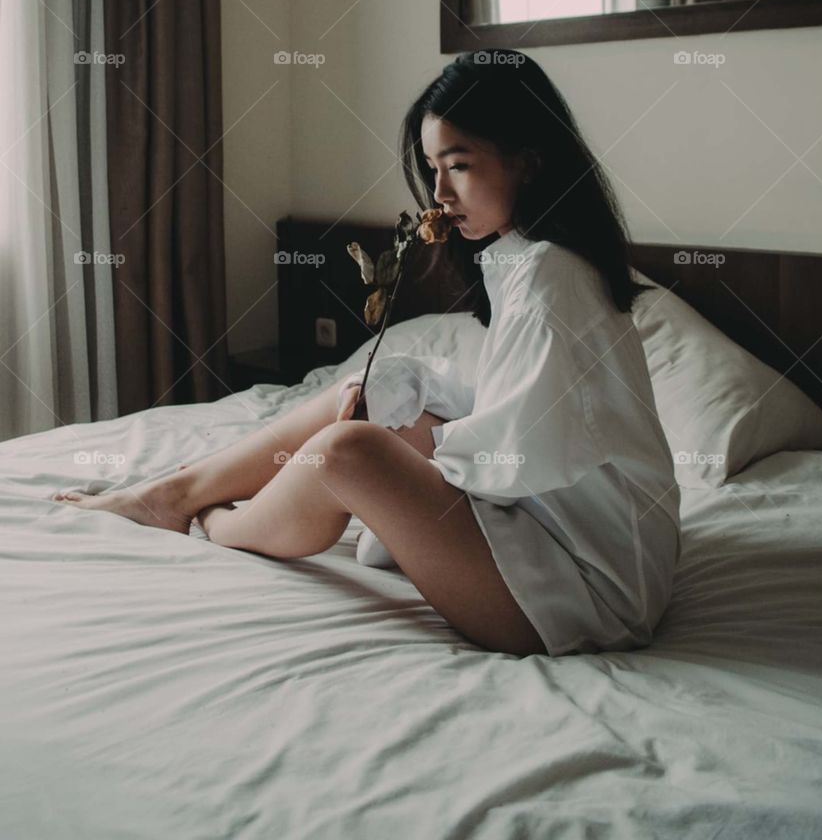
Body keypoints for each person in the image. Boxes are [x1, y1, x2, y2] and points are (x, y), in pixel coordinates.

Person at [51, 48, 680, 660]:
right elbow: (519, 401)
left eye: (457, 166)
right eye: (432, 168)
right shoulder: (528, 261)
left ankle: (216, 520)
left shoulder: (551, 279)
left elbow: (517, 451)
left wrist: (394, 444)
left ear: (529, 162)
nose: (438, 193)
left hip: (585, 594)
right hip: (559, 536)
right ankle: (173, 493)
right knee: (379, 384)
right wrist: (404, 400)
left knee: (346, 450)